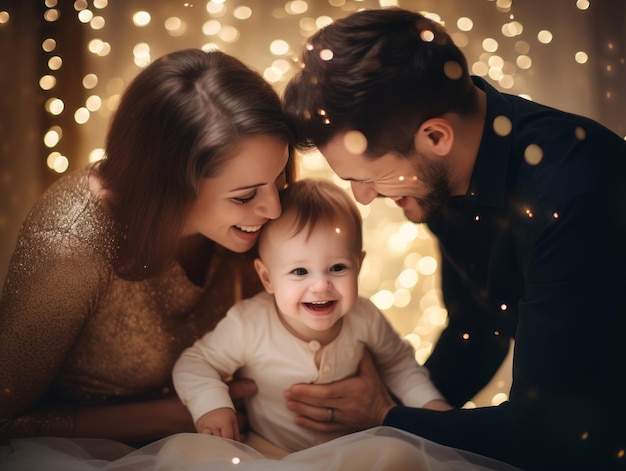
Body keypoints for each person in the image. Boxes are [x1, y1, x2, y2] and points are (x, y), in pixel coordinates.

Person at [282, 7, 626, 471]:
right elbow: (477, 333)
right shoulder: (442, 179)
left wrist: (384, 416)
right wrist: (394, 400)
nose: (363, 199)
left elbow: (550, 433)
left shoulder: (573, 199)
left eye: (368, 178)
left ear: (436, 137)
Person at [0, 48, 294, 444]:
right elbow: (6, 420)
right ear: (169, 186)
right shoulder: (72, 243)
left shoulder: (258, 214)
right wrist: (170, 414)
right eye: (244, 197)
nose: (274, 209)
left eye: (279, 178)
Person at [172, 178, 451, 455]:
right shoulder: (250, 323)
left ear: (359, 265)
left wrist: (432, 407)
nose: (320, 285)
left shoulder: (364, 317)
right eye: (300, 272)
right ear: (267, 278)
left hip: (357, 450)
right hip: (271, 452)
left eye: (338, 267)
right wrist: (212, 406)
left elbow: (399, 366)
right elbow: (195, 363)